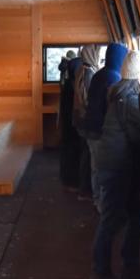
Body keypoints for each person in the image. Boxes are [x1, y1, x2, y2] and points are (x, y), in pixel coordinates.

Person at [90, 50, 140, 279]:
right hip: (118, 169)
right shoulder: (131, 102)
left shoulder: (117, 95)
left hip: (114, 166)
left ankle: (129, 266)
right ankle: (101, 272)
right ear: (139, 77)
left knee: (133, 217)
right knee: (112, 219)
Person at [79, 42, 128, 207]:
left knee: (95, 167)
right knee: (102, 168)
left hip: (89, 126)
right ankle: (102, 203)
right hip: (100, 129)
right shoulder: (113, 77)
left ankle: (96, 199)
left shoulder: (99, 74)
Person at [72, 45, 101, 197]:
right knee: (88, 155)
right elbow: (88, 98)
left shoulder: (80, 70)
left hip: (79, 117)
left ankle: (83, 187)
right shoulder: (89, 73)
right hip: (84, 118)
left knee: (85, 153)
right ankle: (85, 189)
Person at [58, 50, 81, 187]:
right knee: (71, 150)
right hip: (71, 124)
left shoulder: (67, 84)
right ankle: (70, 181)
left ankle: (66, 178)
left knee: (67, 149)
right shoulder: (73, 86)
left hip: (66, 123)